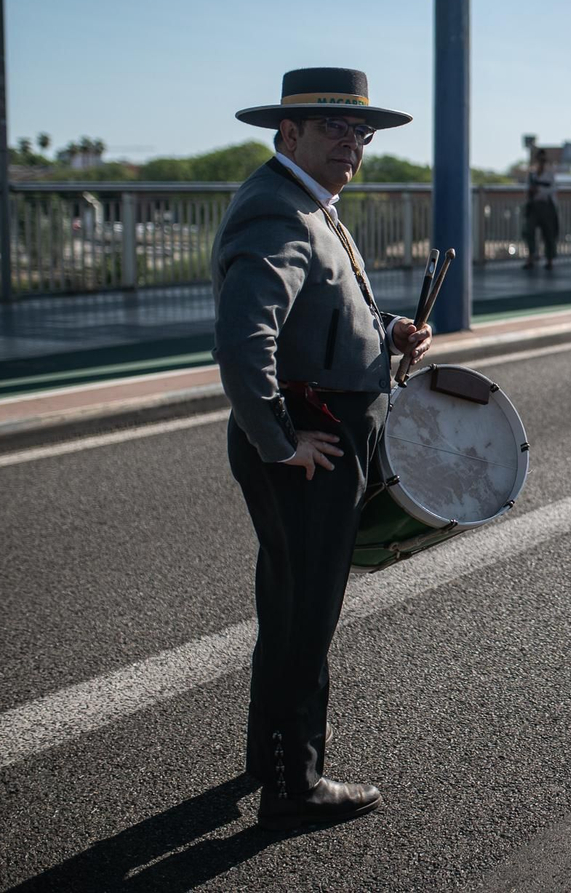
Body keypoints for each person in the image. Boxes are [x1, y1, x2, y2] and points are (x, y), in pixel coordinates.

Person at [216, 67, 432, 830]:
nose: (352, 142)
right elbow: (245, 342)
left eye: (360, 130)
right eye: (333, 127)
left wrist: (388, 330)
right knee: (306, 617)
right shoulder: (277, 209)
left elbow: (320, 309)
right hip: (312, 448)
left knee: (288, 604)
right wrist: (280, 441)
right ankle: (293, 785)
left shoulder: (308, 203)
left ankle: (268, 757)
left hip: (320, 438)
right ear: (289, 133)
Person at [522, 148, 559, 270]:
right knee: (528, 231)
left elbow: (553, 189)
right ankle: (531, 257)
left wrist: (540, 190)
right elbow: (527, 188)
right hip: (534, 206)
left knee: (549, 233)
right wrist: (531, 191)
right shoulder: (532, 174)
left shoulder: (550, 173)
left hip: (546, 206)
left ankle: (549, 260)